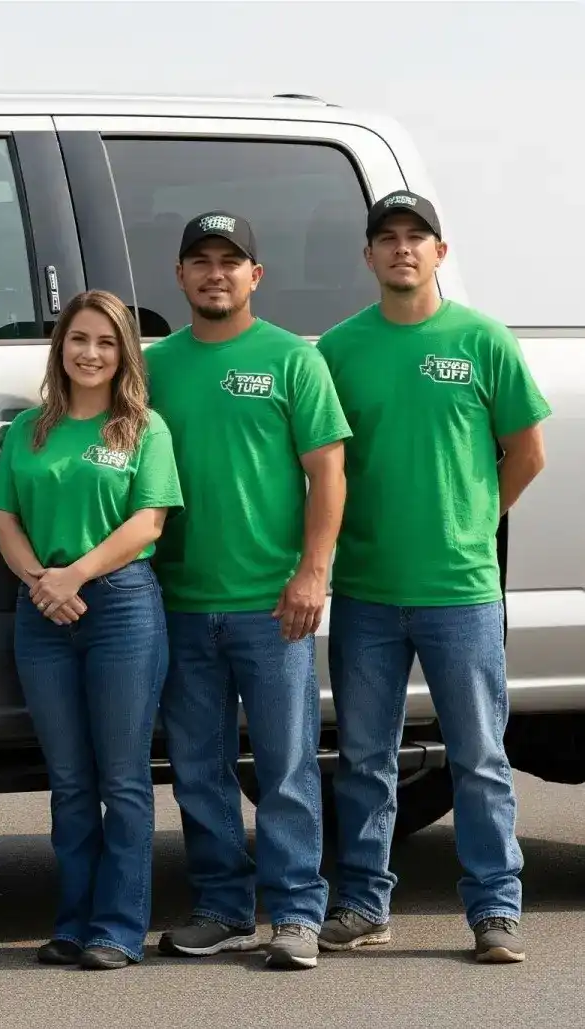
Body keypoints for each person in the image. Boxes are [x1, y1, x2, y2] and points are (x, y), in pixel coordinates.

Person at [315, 192, 549, 963]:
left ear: (439, 253)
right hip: (366, 589)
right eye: (386, 239)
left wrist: (475, 520)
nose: (401, 249)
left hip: (462, 590)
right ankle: (360, 902)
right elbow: (323, 461)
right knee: (363, 757)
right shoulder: (339, 349)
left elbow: (526, 449)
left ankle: (493, 910)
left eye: (416, 238)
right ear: (368, 257)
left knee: (478, 757)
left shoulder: (481, 339)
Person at [145, 212, 350, 971]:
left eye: (230, 261)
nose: (214, 273)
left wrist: (311, 571)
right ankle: (222, 909)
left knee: (285, 765)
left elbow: (328, 472)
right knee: (197, 769)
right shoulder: (156, 366)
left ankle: (296, 913)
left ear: (254, 276)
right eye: (198, 260)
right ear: (179, 276)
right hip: (179, 602)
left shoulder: (290, 359)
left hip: (273, 604)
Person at [0, 289, 182, 971]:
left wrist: (76, 576)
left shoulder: (142, 428)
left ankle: (117, 928)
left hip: (120, 606)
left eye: (104, 341)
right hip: (41, 610)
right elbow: (2, 518)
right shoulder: (28, 430)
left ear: (122, 352)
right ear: (58, 348)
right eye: (77, 339)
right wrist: (43, 579)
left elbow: (147, 521)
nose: (89, 353)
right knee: (69, 781)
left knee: (121, 779)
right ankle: (72, 922)